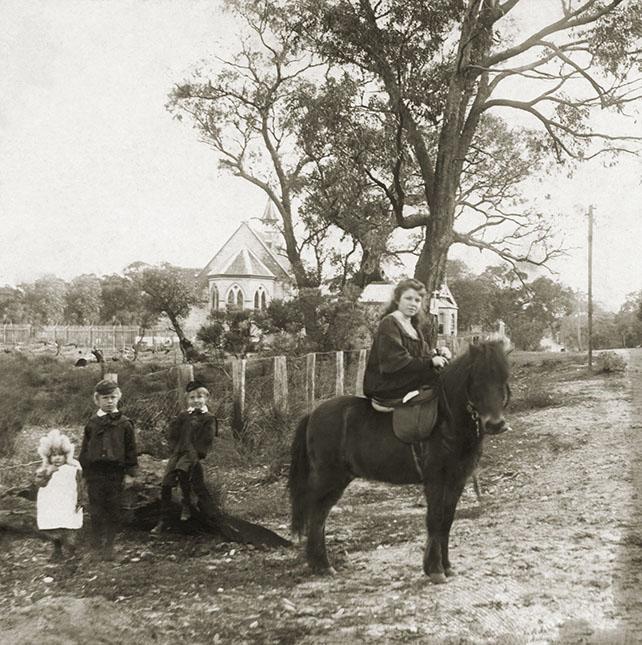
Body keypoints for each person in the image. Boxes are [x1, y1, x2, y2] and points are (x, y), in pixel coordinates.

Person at [79, 379, 138, 560]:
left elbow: (131, 450)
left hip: (115, 472)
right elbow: (85, 449)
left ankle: (110, 545)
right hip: (95, 473)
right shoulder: (92, 423)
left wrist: (130, 473)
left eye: (113, 397)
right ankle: (96, 543)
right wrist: (84, 472)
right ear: (97, 400)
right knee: (96, 508)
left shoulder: (125, 423)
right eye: (105, 398)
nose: (109, 401)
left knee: (113, 508)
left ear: (118, 398)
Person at [363, 278, 447, 404]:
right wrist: (431, 362)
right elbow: (395, 362)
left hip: (406, 379)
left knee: (450, 380)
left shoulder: (413, 326)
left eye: (417, 300)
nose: (413, 303)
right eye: (408, 298)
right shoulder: (390, 323)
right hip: (387, 384)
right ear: (397, 300)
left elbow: (423, 354)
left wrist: (438, 353)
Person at [151, 379, 217, 534]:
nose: (196, 401)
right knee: (166, 482)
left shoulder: (208, 418)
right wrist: (174, 441)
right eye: (192, 398)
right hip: (179, 451)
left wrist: (197, 453)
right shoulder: (183, 415)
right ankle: (163, 519)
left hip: (192, 452)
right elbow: (172, 435)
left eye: (199, 397)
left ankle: (186, 504)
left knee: (183, 472)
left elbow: (207, 438)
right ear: (187, 399)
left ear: (206, 398)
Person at [35, 429, 83, 562]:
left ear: (66, 455)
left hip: (69, 501)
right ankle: (57, 551)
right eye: (53, 455)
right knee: (54, 526)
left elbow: (81, 485)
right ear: (48, 456)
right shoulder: (45, 470)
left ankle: (72, 552)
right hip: (51, 502)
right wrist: (48, 473)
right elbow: (40, 484)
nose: (57, 458)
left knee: (70, 525)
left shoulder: (73, 468)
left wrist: (81, 500)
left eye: (60, 455)